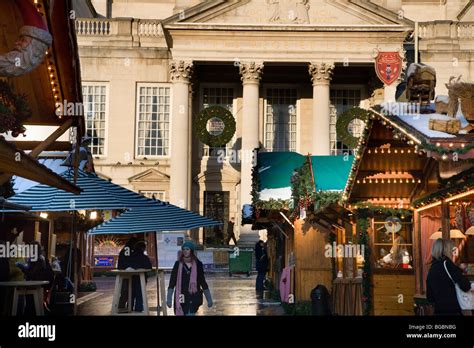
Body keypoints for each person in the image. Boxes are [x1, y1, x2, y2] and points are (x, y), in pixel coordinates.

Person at [426, 239, 473, 315]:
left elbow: (430, 297)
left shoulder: (432, 268)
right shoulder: (448, 264)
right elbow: (465, 286)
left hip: (439, 311)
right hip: (453, 310)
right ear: (447, 250)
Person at [167, 241, 213, 315]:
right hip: (181, 296)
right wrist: (169, 298)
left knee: (190, 313)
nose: (185, 251)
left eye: (187, 249)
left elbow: (202, 281)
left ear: (191, 250)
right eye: (184, 249)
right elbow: (172, 281)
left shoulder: (198, 264)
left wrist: (209, 299)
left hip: (193, 296)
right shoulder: (178, 264)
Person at [128, 241, 152, 312]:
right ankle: (138, 309)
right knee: (140, 294)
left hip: (130, 278)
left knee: (131, 294)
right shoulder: (144, 257)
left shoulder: (130, 256)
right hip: (141, 278)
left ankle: (129, 309)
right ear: (143, 248)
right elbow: (149, 267)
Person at [117, 236, 138, 311]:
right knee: (125, 291)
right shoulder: (128, 249)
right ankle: (121, 307)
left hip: (122, 272)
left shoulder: (126, 248)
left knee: (125, 291)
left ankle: (121, 307)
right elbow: (127, 261)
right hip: (125, 272)